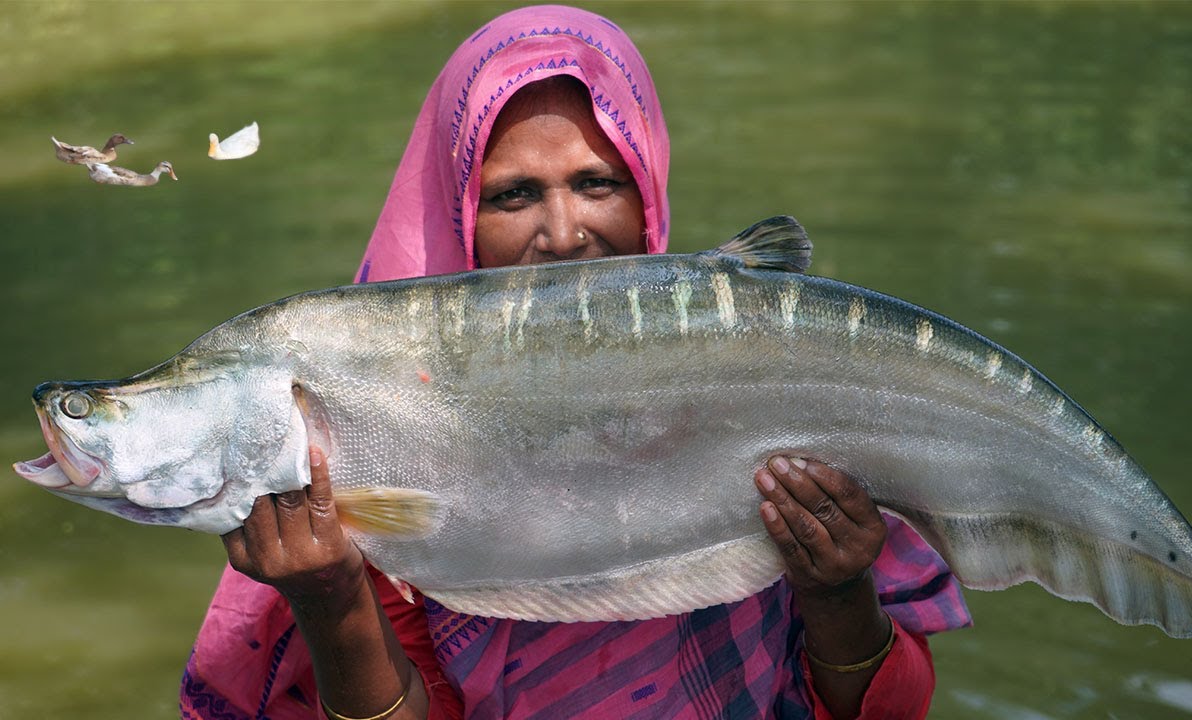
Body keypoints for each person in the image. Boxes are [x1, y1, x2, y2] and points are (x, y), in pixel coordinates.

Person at [180, 6, 971, 720]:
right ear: (460, 215)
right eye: (514, 195)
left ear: (648, 191)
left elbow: (896, 707)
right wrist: (333, 600)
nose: (563, 233)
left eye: (596, 182)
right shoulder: (377, 430)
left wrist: (836, 590)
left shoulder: (771, 381)